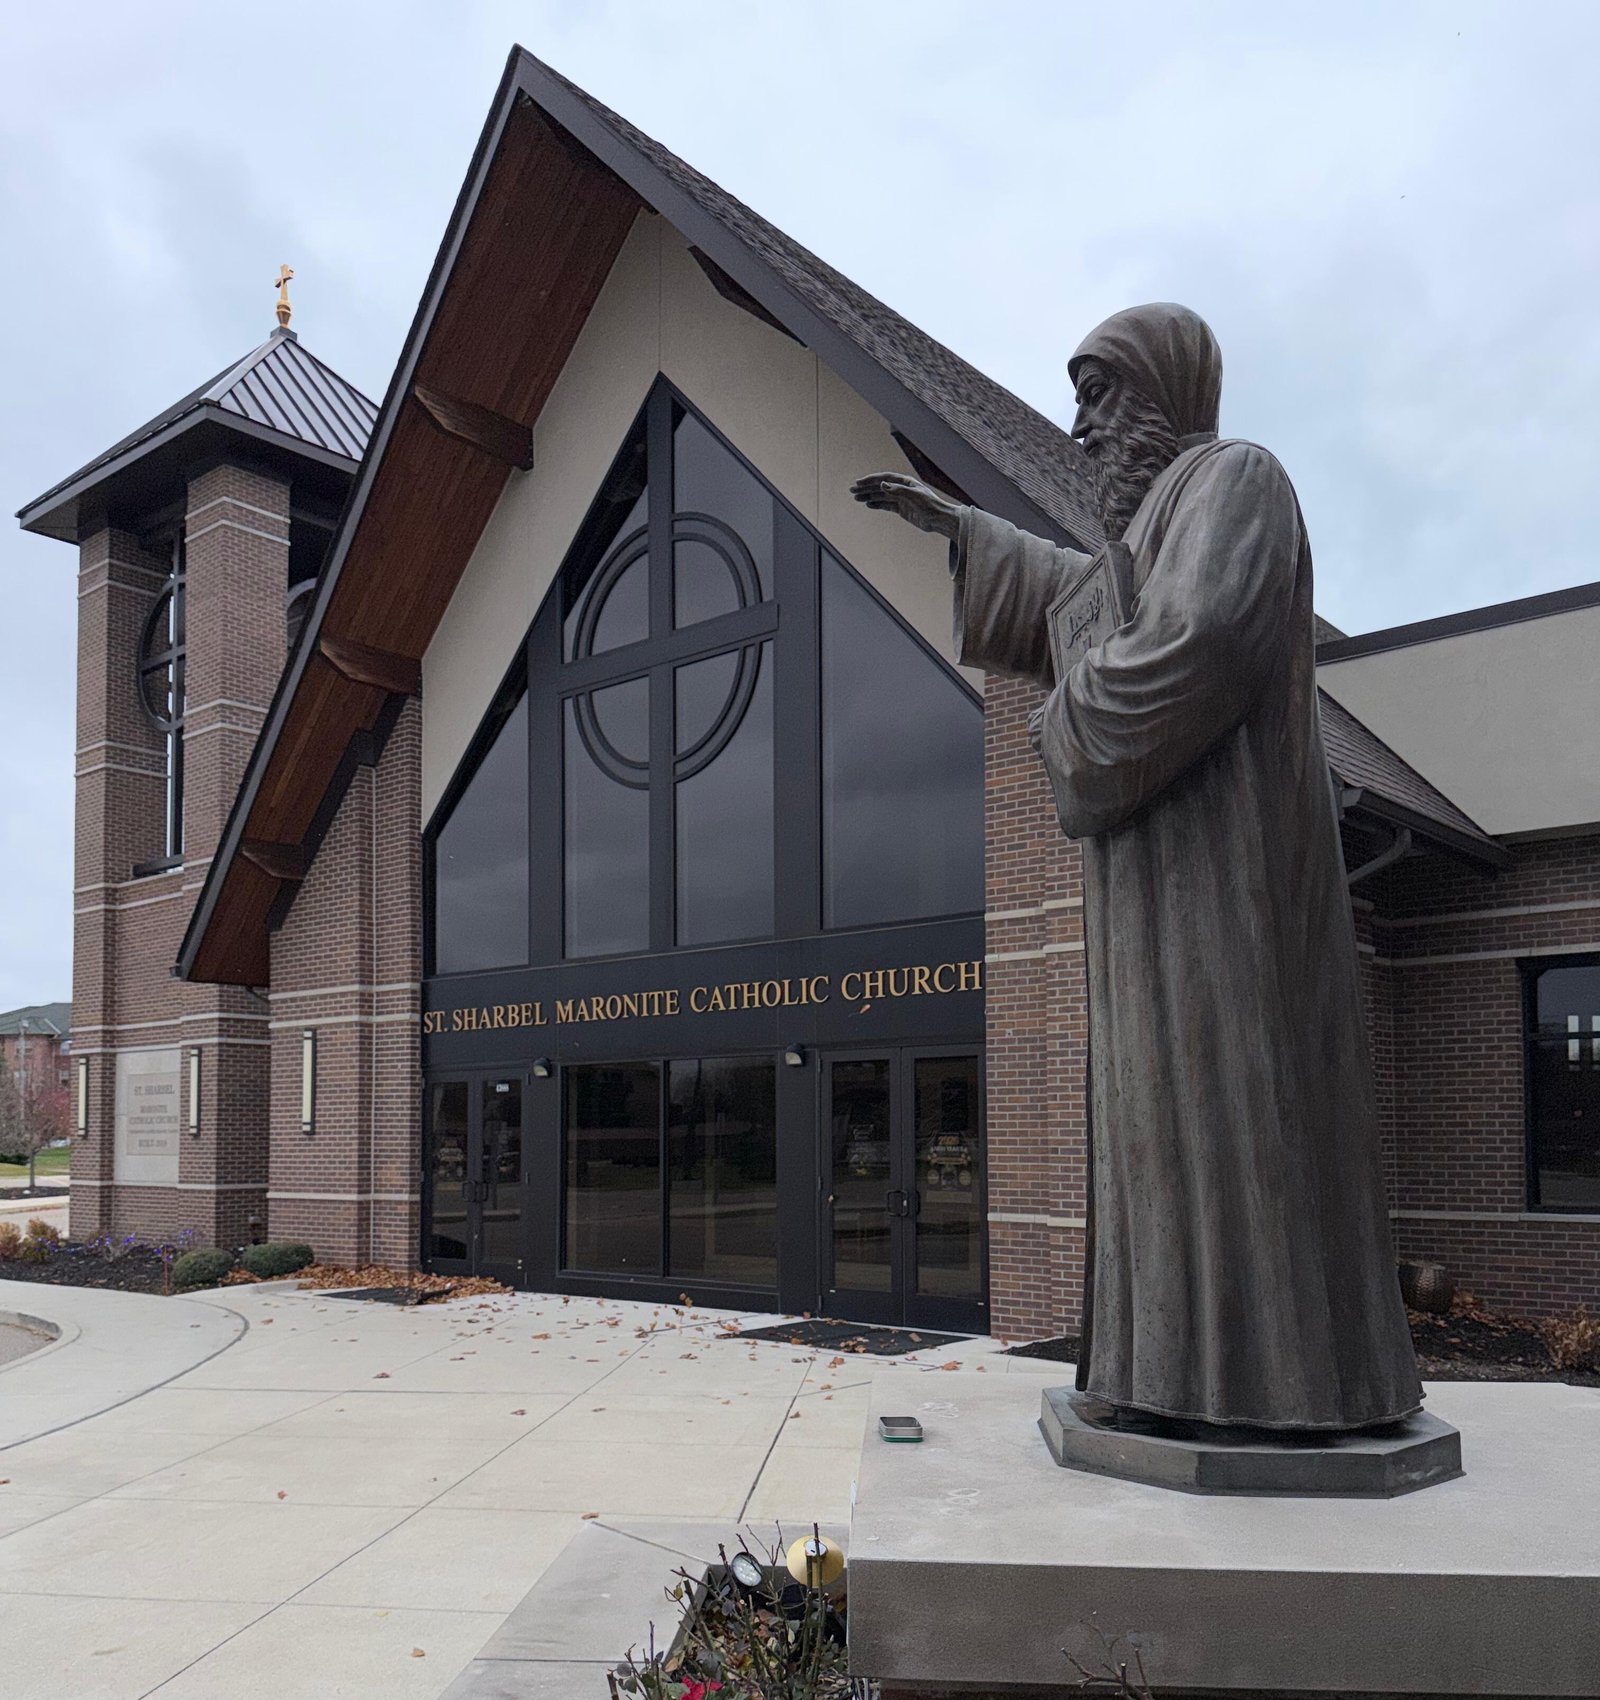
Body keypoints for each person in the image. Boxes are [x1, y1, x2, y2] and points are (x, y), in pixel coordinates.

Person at [852, 303, 1421, 1430]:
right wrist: (966, 530)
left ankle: (1276, 1392)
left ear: (1165, 394)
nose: (1078, 425)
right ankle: (1165, 1378)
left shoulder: (1237, 483)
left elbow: (1195, 641)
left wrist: (1065, 727)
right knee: (1160, 1126)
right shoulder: (1161, 518)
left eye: (1098, 393)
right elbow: (1093, 594)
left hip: (1229, 892)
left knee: (1235, 1117)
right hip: (1154, 896)